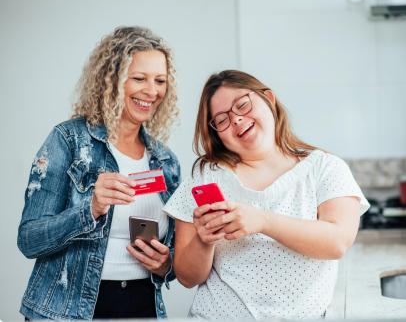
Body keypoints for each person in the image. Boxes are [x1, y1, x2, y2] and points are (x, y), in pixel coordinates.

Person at [163, 70, 370, 320]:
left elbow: (337, 242)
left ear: (269, 99)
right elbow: (186, 277)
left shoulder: (326, 168)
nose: (237, 120)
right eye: (222, 120)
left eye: (242, 104)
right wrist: (204, 241)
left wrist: (262, 220)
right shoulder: (205, 175)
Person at [17, 26, 181, 320]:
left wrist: (166, 265)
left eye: (160, 81)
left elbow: (174, 260)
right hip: (66, 310)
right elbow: (29, 240)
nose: (152, 91)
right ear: (112, 80)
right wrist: (89, 209)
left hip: (143, 306)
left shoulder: (166, 160)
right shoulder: (68, 140)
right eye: (139, 78)